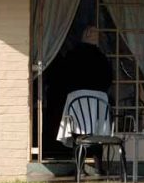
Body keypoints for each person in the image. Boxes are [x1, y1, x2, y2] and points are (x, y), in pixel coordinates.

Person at [43, 26, 114, 172]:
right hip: (98, 104)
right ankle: (99, 166)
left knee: (77, 126)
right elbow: (108, 79)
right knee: (96, 129)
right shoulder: (102, 58)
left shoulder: (73, 55)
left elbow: (63, 78)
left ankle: (79, 166)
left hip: (76, 103)